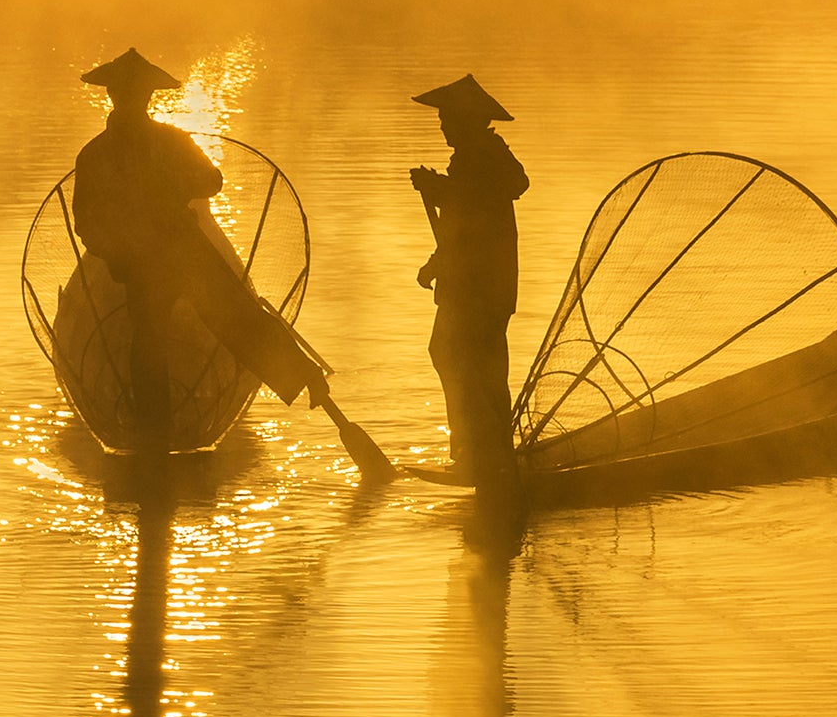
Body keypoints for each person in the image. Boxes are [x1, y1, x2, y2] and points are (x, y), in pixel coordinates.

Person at [71, 47, 391, 478]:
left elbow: (94, 222)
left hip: (160, 258)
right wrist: (132, 238)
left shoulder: (103, 152)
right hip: (168, 256)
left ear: (119, 96)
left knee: (170, 342)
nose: (132, 99)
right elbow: (99, 218)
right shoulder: (157, 143)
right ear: (137, 97)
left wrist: (123, 246)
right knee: (231, 321)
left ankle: (154, 450)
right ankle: (305, 380)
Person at [411, 74, 527, 484]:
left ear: (466, 120)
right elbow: (463, 225)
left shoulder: (483, 158)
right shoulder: (476, 159)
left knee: (462, 360)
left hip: (479, 289)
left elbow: (475, 205)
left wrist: (436, 188)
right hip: (477, 285)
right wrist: (437, 265)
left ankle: (481, 454)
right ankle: (481, 452)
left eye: (447, 119)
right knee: (469, 362)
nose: (442, 126)